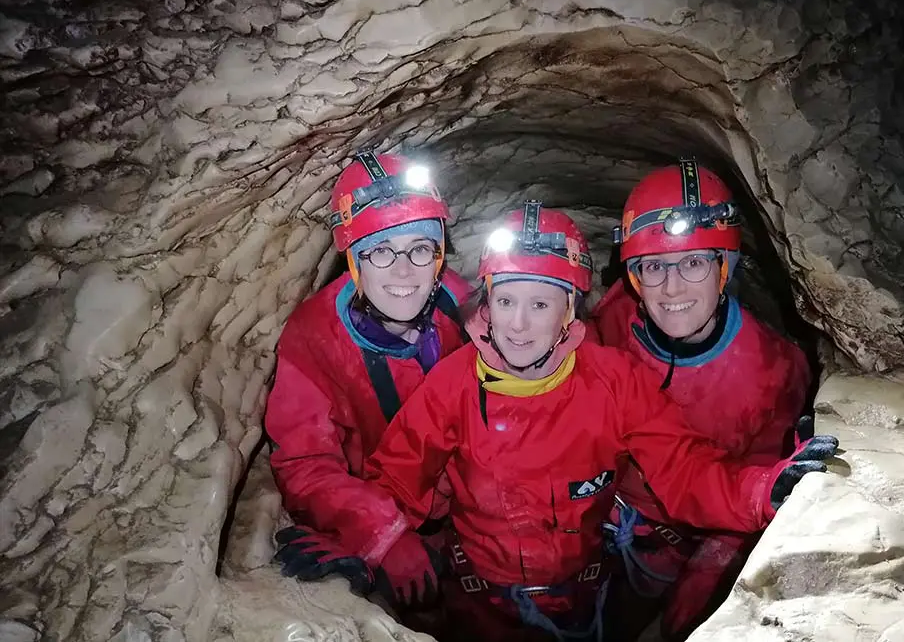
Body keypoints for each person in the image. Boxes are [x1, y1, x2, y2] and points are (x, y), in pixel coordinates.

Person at [359, 201, 836, 641]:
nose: (518, 325)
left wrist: (762, 490)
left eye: (540, 304)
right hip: (481, 605)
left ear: (569, 310)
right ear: (487, 305)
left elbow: (686, 469)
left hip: (588, 598)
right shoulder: (455, 385)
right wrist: (374, 540)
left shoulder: (612, 379)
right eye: (505, 302)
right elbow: (394, 479)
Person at [591, 159, 812, 641]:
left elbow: (740, 501)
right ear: (632, 276)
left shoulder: (773, 371)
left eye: (693, 262)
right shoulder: (614, 319)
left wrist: (690, 607)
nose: (671, 289)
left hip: (681, 540)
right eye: (653, 267)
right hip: (597, 519)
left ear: (724, 268)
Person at [264, 151, 471, 623]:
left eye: (421, 248)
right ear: (353, 261)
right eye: (380, 250)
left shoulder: (460, 303)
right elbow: (305, 463)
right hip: (393, 514)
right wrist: (382, 534)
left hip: (473, 521)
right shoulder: (315, 337)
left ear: (439, 255)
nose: (404, 271)